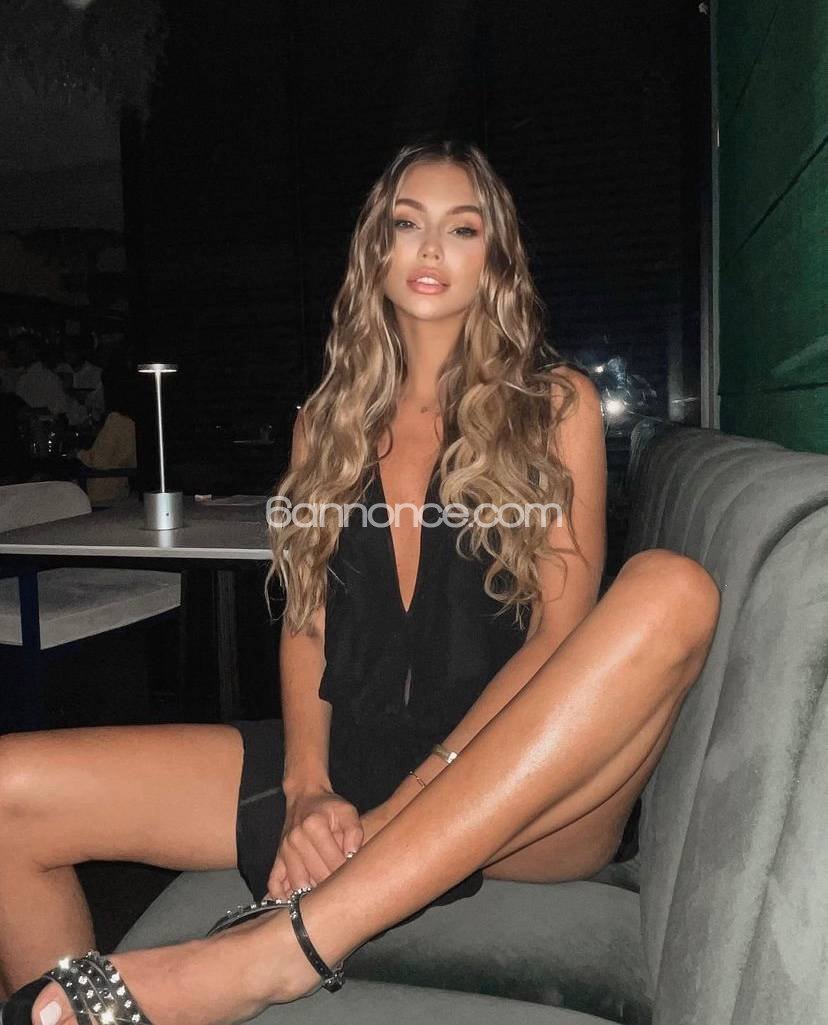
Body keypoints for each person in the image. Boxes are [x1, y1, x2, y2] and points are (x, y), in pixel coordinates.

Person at [0, 140, 720, 1025]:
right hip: (352, 756)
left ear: (495, 260)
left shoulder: (551, 405)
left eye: (463, 228)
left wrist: (391, 816)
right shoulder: (325, 425)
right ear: (376, 249)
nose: (431, 248)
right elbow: (306, 620)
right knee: (7, 791)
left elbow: (557, 638)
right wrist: (307, 787)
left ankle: (281, 951)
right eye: (407, 224)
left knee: (673, 588)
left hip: (520, 780)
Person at [71, 368, 138, 506]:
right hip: (121, 487)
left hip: (101, 490)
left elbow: (99, 460)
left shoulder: (116, 420)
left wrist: (78, 454)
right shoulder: (133, 420)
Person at [12, 334, 87, 427]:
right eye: (17, 350)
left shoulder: (47, 377)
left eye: (23, 350)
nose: (19, 353)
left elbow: (60, 407)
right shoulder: (19, 377)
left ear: (33, 350)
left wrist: (32, 411)